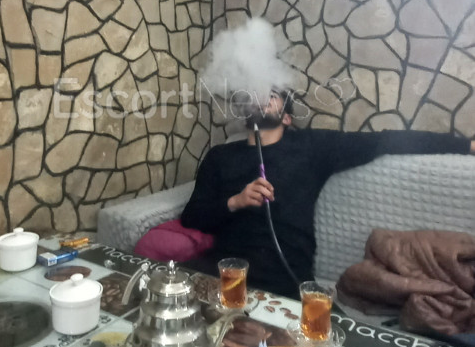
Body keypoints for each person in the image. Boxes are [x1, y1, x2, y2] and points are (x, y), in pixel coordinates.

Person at [180, 91, 475, 295]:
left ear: (287, 117)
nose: (260, 97)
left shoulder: (312, 146)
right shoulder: (220, 156)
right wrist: (236, 201)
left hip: (282, 271)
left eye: (271, 94)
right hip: (224, 267)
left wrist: (466, 146)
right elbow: (192, 217)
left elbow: (386, 141)